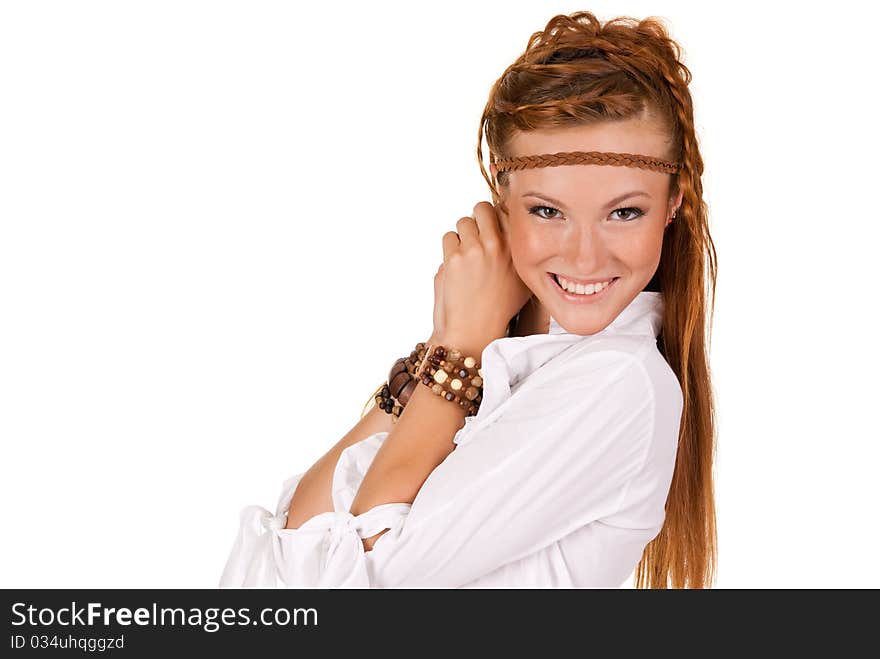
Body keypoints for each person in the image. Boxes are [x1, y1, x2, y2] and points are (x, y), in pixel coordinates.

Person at [219, 10, 717, 589]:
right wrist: (449, 347)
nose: (585, 259)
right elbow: (280, 561)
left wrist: (457, 349)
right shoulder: (497, 353)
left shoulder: (618, 382)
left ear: (674, 203)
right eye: (547, 211)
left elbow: (350, 589)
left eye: (624, 212)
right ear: (502, 201)